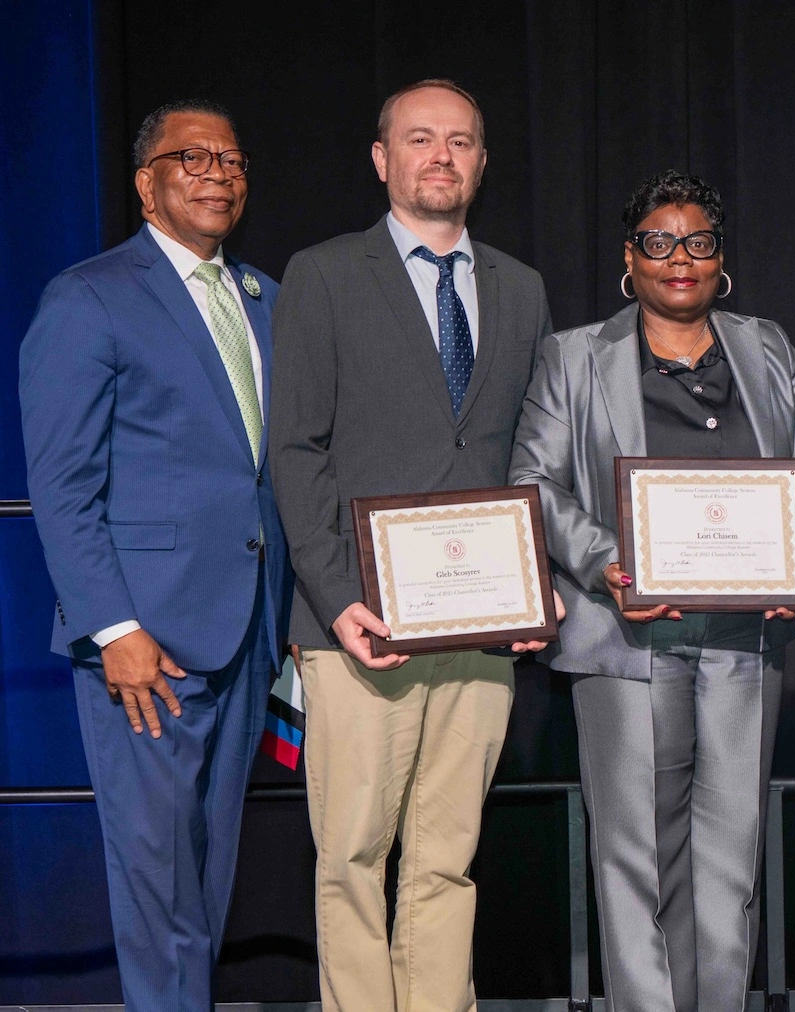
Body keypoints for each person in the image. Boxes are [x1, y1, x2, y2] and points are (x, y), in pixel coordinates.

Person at [509, 169, 795, 1012]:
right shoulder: (576, 355)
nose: (678, 259)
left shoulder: (767, 347)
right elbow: (535, 483)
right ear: (630, 257)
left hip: (743, 641)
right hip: (626, 641)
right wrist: (611, 564)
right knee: (637, 865)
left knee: (731, 863)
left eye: (697, 242)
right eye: (658, 242)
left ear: (720, 257)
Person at [268, 79, 555, 1012]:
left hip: (479, 626)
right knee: (351, 855)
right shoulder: (323, 273)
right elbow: (295, 447)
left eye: (461, 141)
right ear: (382, 159)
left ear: (481, 162)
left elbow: (529, 454)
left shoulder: (521, 287)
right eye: (420, 138)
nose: (442, 155)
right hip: (357, 622)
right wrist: (337, 593)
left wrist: (535, 582)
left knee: (448, 859)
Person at [18, 99, 291, 1009]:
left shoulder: (263, 298)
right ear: (146, 183)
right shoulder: (90, 295)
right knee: (157, 889)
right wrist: (114, 628)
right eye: (193, 157)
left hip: (247, 634)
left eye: (233, 157)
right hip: (148, 648)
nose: (219, 171)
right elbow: (60, 487)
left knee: (205, 885)